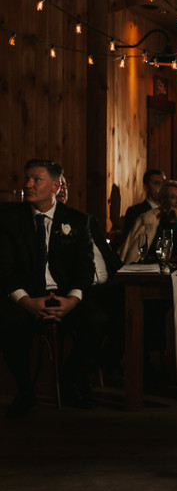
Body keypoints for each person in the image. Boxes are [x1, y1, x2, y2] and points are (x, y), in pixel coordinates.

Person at [0, 159, 109, 417]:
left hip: (64, 297)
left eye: (36, 180)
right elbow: (4, 268)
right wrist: (26, 301)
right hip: (26, 296)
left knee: (98, 320)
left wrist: (71, 301)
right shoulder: (8, 220)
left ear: (55, 186)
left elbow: (85, 269)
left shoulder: (78, 221)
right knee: (7, 321)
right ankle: (25, 389)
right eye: (27, 178)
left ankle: (71, 379)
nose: (27, 185)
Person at [118, 181, 177, 264]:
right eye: (173, 197)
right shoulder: (147, 219)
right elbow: (137, 252)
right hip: (151, 268)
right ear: (163, 200)